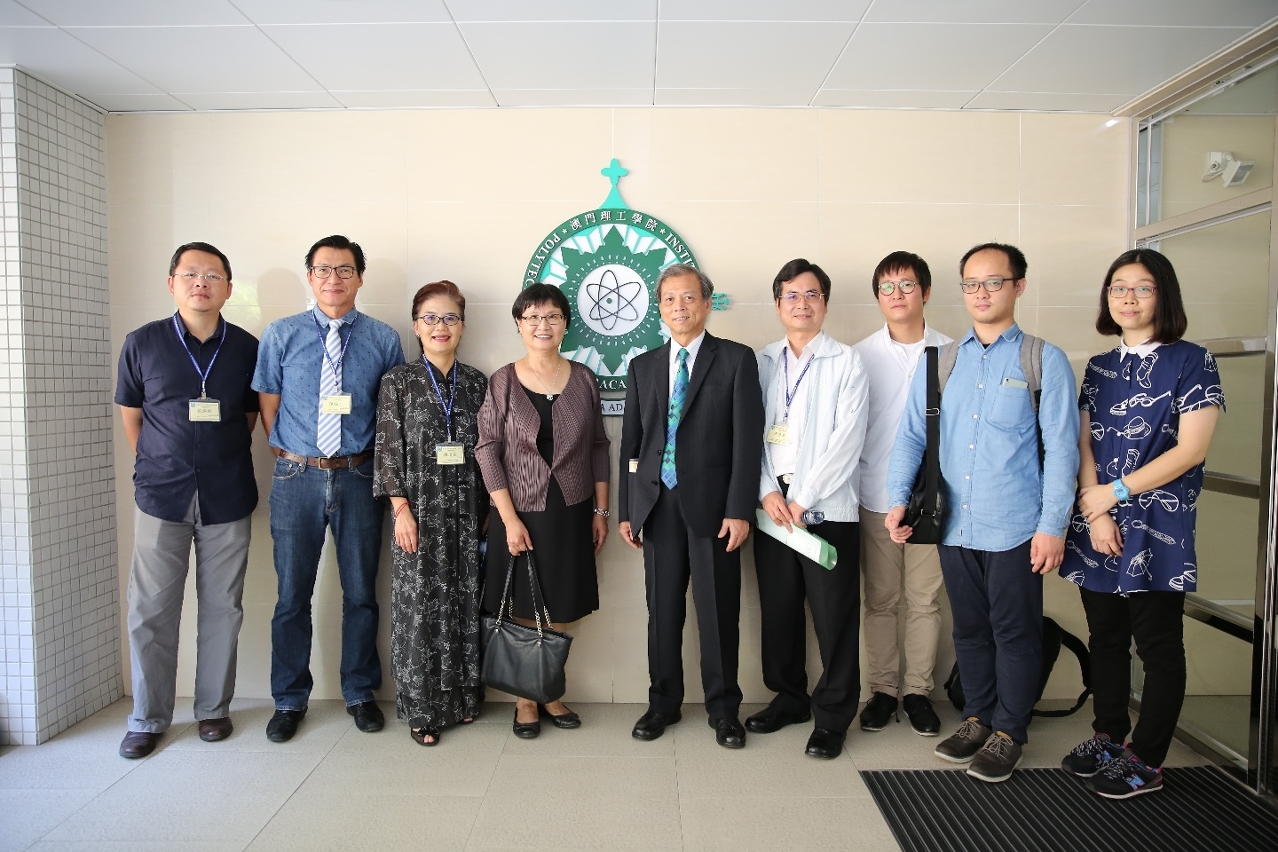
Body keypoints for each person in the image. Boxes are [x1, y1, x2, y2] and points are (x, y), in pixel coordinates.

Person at [886, 242, 1079, 783]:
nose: (981, 293)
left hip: (1017, 526)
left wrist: (1052, 527)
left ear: (1018, 286)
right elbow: (912, 438)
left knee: (1015, 632)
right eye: (971, 284)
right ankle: (977, 719)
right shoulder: (943, 360)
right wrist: (899, 497)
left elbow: (1062, 449)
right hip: (956, 524)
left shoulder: (1043, 358)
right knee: (970, 630)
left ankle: (1009, 732)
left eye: (993, 282)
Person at [1059, 249, 1223, 799]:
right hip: (1097, 521)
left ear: (1164, 295)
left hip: (1158, 525)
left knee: (1157, 644)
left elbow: (1193, 449)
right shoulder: (1100, 367)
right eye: (1118, 287)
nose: (1128, 297)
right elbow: (1082, 442)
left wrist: (1115, 493)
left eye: (1143, 287)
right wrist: (1097, 506)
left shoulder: (1192, 360)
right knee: (1105, 637)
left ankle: (1147, 758)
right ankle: (1108, 736)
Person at [252, 235, 405, 743]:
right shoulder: (280, 334)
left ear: (360, 277)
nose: (333, 279)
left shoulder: (383, 339)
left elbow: (388, 419)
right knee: (291, 596)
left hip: (360, 476)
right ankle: (289, 699)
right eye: (323, 270)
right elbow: (269, 407)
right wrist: (296, 453)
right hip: (296, 476)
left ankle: (360, 692)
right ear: (310, 276)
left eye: (344, 269)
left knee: (362, 593)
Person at [115, 242, 260, 759]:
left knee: (224, 608)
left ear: (228, 287)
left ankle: (212, 709)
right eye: (191, 274)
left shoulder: (246, 347)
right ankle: (148, 717)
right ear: (172, 283)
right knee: (151, 609)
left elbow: (248, 418)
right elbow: (133, 415)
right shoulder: (143, 343)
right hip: (162, 495)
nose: (202, 283)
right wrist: (162, 462)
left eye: (213, 275)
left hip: (227, 493)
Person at [620, 263, 766, 749]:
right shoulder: (643, 366)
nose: (678, 307)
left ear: (706, 303)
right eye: (669, 300)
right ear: (658, 308)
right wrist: (628, 509)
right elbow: (632, 444)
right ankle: (662, 703)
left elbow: (748, 444)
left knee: (718, 612)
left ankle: (724, 710)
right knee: (661, 612)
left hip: (715, 509)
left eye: (688, 298)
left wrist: (740, 509)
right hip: (657, 506)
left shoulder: (736, 360)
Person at [475, 282, 610, 739]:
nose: (542, 325)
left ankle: (547, 688)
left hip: (571, 510)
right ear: (518, 324)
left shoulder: (584, 378)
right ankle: (528, 700)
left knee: (562, 604)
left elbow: (598, 447)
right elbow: (486, 450)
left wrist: (602, 510)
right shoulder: (503, 381)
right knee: (519, 603)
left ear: (566, 323)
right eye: (531, 317)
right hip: (519, 510)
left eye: (551, 316)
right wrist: (508, 519)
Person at [750, 259, 869, 760]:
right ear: (778, 303)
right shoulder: (759, 361)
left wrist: (803, 497)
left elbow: (847, 441)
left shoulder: (847, 361)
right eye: (792, 295)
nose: (802, 303)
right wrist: (767, 492)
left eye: (812, 294)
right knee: (778, 612)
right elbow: (748, 434)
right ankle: (789, 697)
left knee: (833, 618)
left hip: (826, 513)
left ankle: (834, 716)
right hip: (771, 511)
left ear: (824, 302)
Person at [374, 281, 488, 746]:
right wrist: (400, 510)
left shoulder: (478, 383)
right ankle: (422, 709)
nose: (441, 327)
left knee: (463, 606)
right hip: (417, 516)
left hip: (466, 515)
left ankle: (462, 700)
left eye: (450, 318)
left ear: (462, 326)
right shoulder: (397, 381)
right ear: (416, 326)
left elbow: (489, 451)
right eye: (430, 318)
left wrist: (487, 510)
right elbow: (386, 449)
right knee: (419, 610)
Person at [853, 251, 952, 737]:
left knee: (926, 600)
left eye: (907, 286)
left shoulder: (956, 352)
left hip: (933, 503)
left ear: (926, 292)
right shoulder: (860, 355)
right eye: (887, 288)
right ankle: (882, 691)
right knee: (880, 600)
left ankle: (917, 692)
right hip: (874, 497)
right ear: (877, 297)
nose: (897, 295)